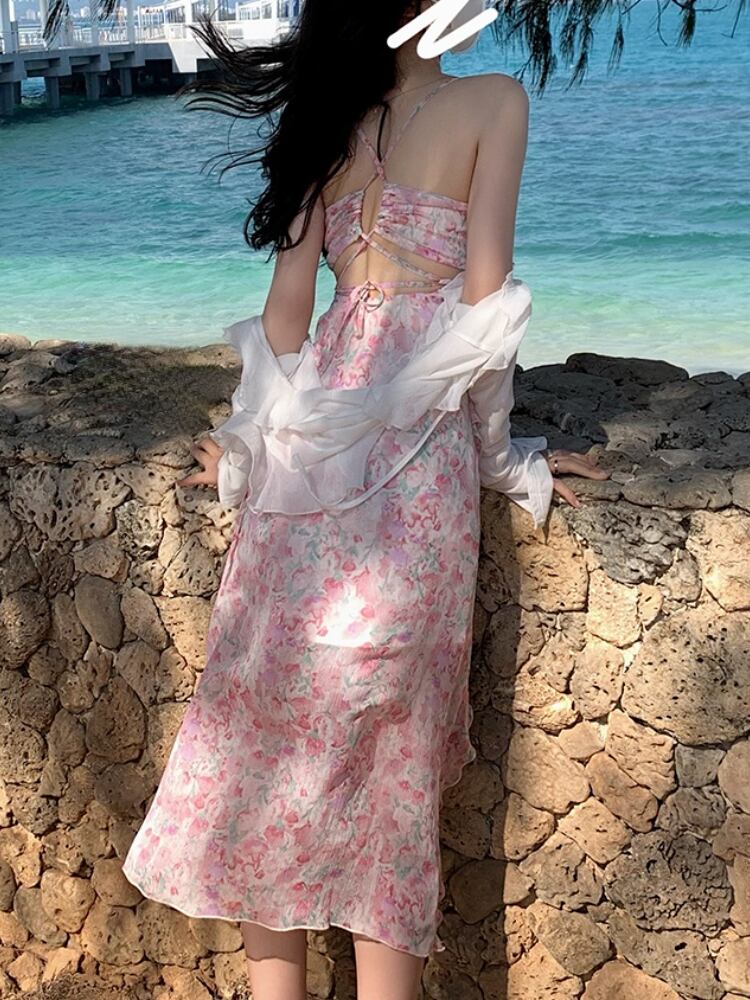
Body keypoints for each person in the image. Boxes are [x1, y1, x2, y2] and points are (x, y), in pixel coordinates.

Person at [121, 2, 610, 999]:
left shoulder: (325, 126)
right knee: (392, 769)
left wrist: (244, 444)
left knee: (267, 748)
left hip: (303, 463)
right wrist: (507, 461)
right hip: (413, 472)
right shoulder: (494, 102)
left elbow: (287, 318)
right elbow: (483, 318)